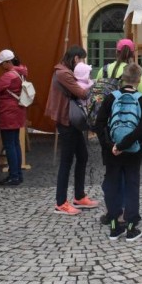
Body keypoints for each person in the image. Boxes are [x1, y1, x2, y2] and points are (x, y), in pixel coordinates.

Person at [95, 63, 142, 242]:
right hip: (133, 151)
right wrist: (125, 144)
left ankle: (114, 225)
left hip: (112, 151)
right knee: (132, 185)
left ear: (123, 78)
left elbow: (99, 124)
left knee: (113, 184)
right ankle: (131, 227)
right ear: (138, 79)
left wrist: (112, 145)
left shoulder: (111, 97)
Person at [46, 45, 100, 215]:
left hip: (72, 121)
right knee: (66, 161)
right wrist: (96, 86)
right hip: (66, 121)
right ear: (76, 58)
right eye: (82, 59)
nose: (83, 62)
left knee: (83, 156)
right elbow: (82, 93)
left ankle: (79, 196)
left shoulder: (65, 72)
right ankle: (61, 202)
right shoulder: (63, 73)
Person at [0, 49, 28, 186]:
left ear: (8, 62)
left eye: (1, 64)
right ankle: (18, 174)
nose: (0, 67)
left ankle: (14, 175)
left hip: (8, 112)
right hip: (18, 111)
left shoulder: (8, 76)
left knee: (9, 145)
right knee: (15, 143)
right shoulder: (21, 73)